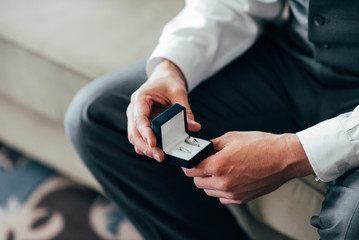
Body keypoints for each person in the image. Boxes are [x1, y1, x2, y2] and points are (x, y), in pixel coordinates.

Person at [65, 0, 359, 239]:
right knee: (101, 116)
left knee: (351, 223)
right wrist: (170, 69)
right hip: (294, 57)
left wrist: (292, 154)